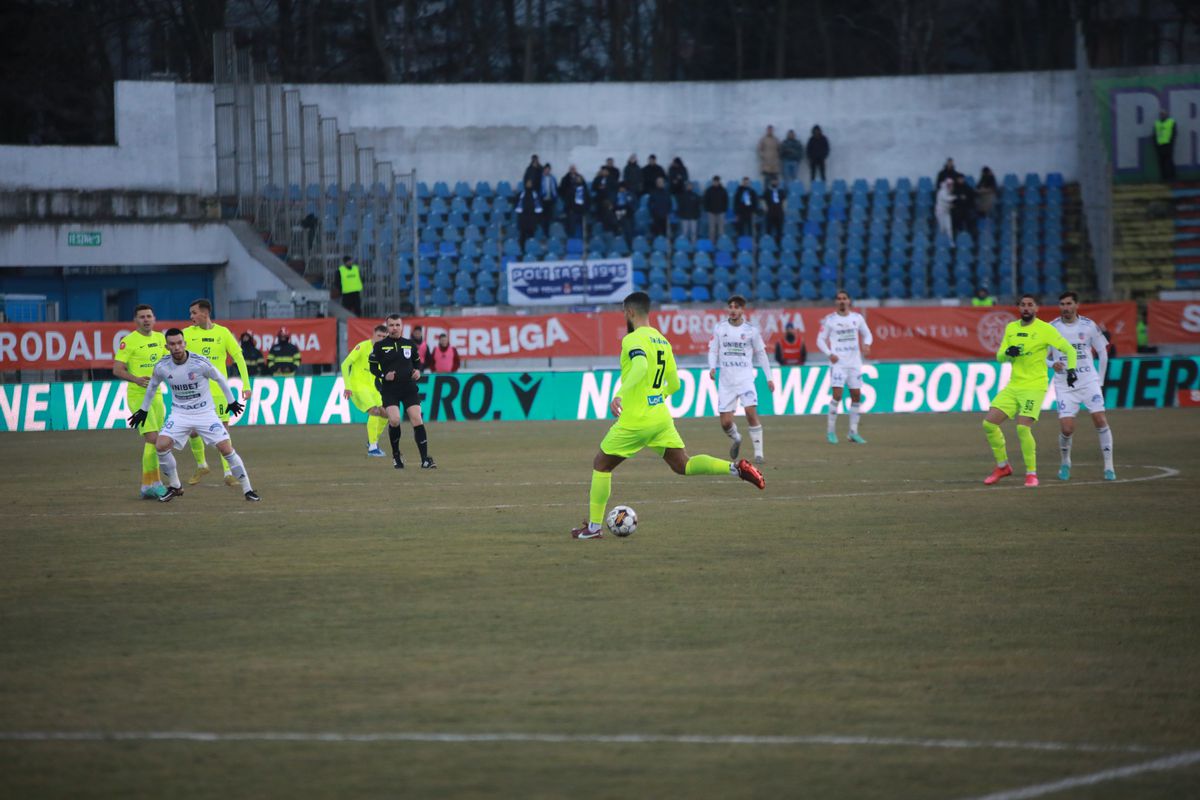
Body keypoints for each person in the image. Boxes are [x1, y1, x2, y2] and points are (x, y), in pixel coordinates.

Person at [570, 291, 765, 540]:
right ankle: (736, 469)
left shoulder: (632, 339)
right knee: (683, 464)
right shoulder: (662, 341)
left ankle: (594, 529)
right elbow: (674, 384)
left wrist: (620, 393)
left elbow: (640, 366)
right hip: (660, 418)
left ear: (629, 312)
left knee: (601, 465)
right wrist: (656, 397)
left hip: (635, 420)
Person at [127, 328, 259, 503]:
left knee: (226, 448)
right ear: (167, 347)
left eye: (179, 343)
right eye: (172, 344)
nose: (177, 347)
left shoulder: (200, 363)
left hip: (205, 413)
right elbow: (152, 386)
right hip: (180, 414)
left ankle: (248, 489)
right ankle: (175, 486)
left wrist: (231, 401)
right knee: (161, 445)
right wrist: (143, 410)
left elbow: (219, 378)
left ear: (185, 343)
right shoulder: (162, 366)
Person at [981, 294, 1077, 488]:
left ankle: (1031, 474)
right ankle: (1003, 467)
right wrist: (1008, 353)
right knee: (989, 424)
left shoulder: (1045, 329)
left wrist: (1072, 370)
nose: (1026, 308)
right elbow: (999, 356)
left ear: (1036, 308)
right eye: (1023, 305)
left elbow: (1070, 350)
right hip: (1014, 385)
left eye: (1030, 305)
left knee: (1022, 428)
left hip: (1034, 386)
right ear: (1019, 308)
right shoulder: (1011, 328)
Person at [1047, 292, 1116, 481]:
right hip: (1064, 384)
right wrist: (1051, 364)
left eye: (1069, 303)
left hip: (1088, 381)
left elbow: (1103, 353)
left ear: (1077, 305)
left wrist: (1100, 382)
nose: (1065, 307)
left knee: (1100, 420)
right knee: (1067, 428)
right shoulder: (1051, 328)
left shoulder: (1088, 325)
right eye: (1062, 304)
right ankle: (1065, 462)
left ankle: (1109, 467)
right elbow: (1041, 357)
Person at [183, 298, 251, 488]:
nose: (191, 317)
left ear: (205, 313)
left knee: (223, 432)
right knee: (192, 430)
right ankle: (201, 464)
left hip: (219, 392)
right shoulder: (187, 334)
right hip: (195, 392)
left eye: (194, 313)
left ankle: (228, 473)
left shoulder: (223, 333)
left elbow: (239, 357)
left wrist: (246, 384)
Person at [708, 295, 775, 465]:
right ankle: (737, 438)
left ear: (742, 310)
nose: (733, 310)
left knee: (751, 413)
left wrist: (769, 378)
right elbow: (713, 350)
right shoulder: (720, 328)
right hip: (726, 381)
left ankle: (759, 454)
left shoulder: (751, 331)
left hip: (745, 379)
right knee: (725, 423)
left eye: (736, 307)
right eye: (730, 306)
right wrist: (712, 367)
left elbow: (761, 354)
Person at [113, 304, 167, 499]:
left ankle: (147, 485)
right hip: (138, 397)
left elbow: (167, 363)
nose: (146, 319)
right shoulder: (129, 341)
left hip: (157, 395)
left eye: (149, 316)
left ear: (154, 318)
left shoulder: (161, 339)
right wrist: (136, 379)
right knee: (154, 439)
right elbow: (117, 369)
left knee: (155, 440)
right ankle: (156, 483)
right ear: (136, 321)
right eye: (142, 317)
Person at [369, 313, 435, 470]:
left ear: (402, 326)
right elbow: (373, 368)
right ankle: (396, 455)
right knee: (395, 420)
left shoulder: (409, 344)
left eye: (397, 325)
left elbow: (417, 363)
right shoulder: (379, 346)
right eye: (391, 325)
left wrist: (417, 371)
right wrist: (384, 375)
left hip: (409, 387)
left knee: (417, 419)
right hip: (390, 389)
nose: (394, 328)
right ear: (387, 327)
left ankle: (425, 459)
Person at [817, 290, 873, 444]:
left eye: (844, 298)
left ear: (849, 301)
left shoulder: (857, 318)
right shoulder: (830, 320)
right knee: (837, 396)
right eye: (839, 299)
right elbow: (820, 340)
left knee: (856, 396)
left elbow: (868, 334)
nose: (842, 301)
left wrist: (867, 345)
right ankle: (830, 432)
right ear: (836, 302)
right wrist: (829, 353)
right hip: (838, 364)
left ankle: (853, 433)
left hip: (854, 363)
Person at [341, 323, 390, 457]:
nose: (381, 338)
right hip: (358, 387)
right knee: (374, 411)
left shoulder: (385, 351)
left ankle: (371, 440)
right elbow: (345, 365)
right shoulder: (362, 347)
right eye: (379, 335)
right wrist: (348, 386)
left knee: (386, 414)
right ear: (373, 334)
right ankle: (373, 448)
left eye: (384, 336)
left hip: (373, 389)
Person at [560, 166, 589, 238]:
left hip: (582, 210)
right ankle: (571, 236)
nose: (578, 180)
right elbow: (568, 201)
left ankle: (585, 237)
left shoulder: (584, 191)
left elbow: (588, 201)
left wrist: (585, 209)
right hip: (573, 210)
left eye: (580, 179)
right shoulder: (571, 190)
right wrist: (569, 210)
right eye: (577, 179)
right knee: (570, 219)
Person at [515, 179, 543, 249]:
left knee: (531, 237)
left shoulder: (535, 195)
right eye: (528, 183)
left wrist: (537, 219)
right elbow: (517, 207)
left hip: (532, 220)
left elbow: (538, 208)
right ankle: (522, 251)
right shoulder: (521, 195)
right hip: (523, 220)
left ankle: (531, 250)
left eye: (530, 183)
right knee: (522, 237)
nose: (529, 184)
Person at [703, 175, 729, 242]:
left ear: (719, 182)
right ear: (713, 182)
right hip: (711, 212)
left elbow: (726, 201)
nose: (716, 183)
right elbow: (705, 200)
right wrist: (707, 209)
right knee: (712, 229)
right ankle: (712, 243)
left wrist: (724, 209)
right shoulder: (709, 190)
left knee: (721, 230)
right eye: (714, 181)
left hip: (721, 212)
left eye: (717, 181)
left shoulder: (723, 190)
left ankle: (720, 243)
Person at [614, 181, 637, 249]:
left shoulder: (630, 195)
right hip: (618, 215)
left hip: (628, 216)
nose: (621, 189)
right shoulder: (616, 195)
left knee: (628, 232)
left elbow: (634, 205)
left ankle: (629, 247)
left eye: (622, 188)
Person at [763, 178, 787, 243]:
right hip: (770, 212)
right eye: (773, 181)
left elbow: (784, 200)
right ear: (771, 182)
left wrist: (784, 208)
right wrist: (765, 208)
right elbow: (763, 199)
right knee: (768, 229)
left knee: (779, 230)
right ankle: (768, 244)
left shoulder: (781, 191)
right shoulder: (767, 191)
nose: (774, 182)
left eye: (776, 181)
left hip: (779, 212)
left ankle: (778, 244)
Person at [1155, 109, 1176, 182]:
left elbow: (1174, 134)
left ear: (1166, 115)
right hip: (1160, 145)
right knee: (1161, 162)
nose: (1162, 115)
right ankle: (1163, 178)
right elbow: (1155, 135)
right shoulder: (1157, 123)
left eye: (1163, 114)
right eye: (1161, 114)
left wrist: (1171, 143)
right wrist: (1156, 145)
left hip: (1168, 145)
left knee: (1169, 162)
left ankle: (1171, 177)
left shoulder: (1171, 122)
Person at [539, 163, 558, 235]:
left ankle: (550, 233)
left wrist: (555, 197)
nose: (547, 171)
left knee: (550, 217)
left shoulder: (553, 178)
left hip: (550, 200)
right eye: (546, 169)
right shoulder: (540, 178)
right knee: (543, 218)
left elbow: (555, 188)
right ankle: (544, 233)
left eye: (548, 170)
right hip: (543, 200)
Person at [935, 178, 955, 245]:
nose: (950, 186)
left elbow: (948, 203)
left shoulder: (949, 191)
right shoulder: (942, 191)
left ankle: (950, 242)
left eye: (951, 184)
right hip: (940, 212)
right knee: (942, 228)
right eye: (949, 184)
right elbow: (946, 199)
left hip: (946, 212)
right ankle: (941, 242)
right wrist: (956, 197)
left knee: (949, 228)